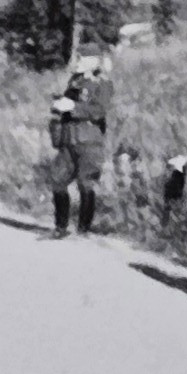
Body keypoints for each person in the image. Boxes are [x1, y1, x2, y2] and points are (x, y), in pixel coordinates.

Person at [46, 52, 113, 236]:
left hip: (89, 140)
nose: (77, 62)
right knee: (58, 179)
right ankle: (60, 227)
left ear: (94, 62)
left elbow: (99, 111)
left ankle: (83, 230)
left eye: (82, 58)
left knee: (86, 183)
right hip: (68, 139)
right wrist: (59, 104)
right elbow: (66, 106)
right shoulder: (74, 81)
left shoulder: (103, 84)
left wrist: (73, 108)